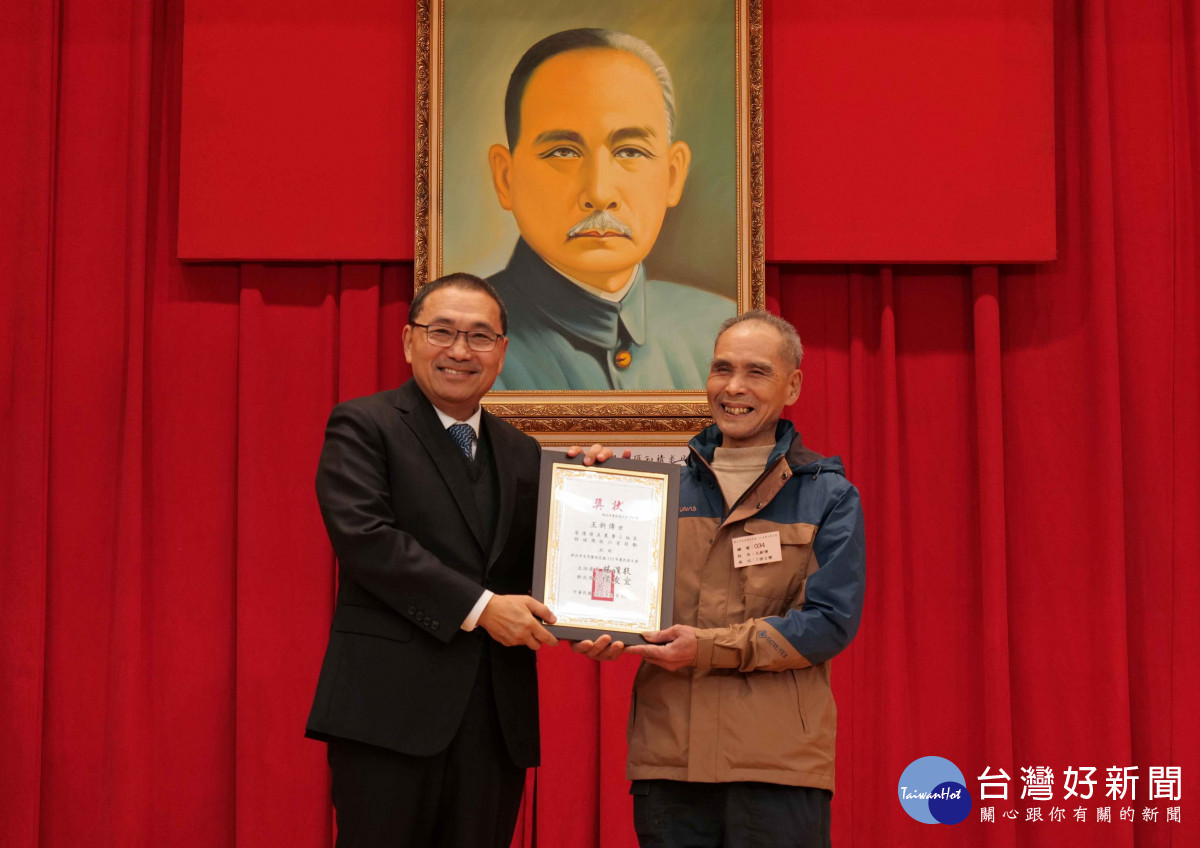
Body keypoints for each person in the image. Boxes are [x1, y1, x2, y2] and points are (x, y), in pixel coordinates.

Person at [305, 272, 613, 848]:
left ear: (502, 351)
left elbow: (546, 564)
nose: (460, 351)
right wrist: (482, 608)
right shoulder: (364, 425)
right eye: (441, 332)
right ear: (409, 341)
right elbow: (367, 539)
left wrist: (593, 495)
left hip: (494, 723)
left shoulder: (521, 451)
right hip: (387, 715)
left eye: (479, 336)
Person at [574, 311, 866, 848]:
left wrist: (705, 649)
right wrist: (593, 493)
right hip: (668, 763)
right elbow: (617, 599)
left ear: (792, 386)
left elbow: (829, 624)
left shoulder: (828, 495)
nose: (733, 387)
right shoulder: (657, 490)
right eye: (722, 369)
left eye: (757, 371)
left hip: (777, 769)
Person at [485, 28, 735, 391]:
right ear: (506, 178)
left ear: (672, 175)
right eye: (563, 152)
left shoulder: (724, 333)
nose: (599, 193)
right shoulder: (464, 348)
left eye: (630, 151)